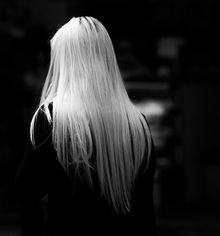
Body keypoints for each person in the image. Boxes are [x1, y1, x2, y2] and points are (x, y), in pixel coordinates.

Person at [15, 16, 156, 236]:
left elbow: (27, 192)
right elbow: (145, 210)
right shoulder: (137, 126)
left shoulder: (51, 119)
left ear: (65, 61)